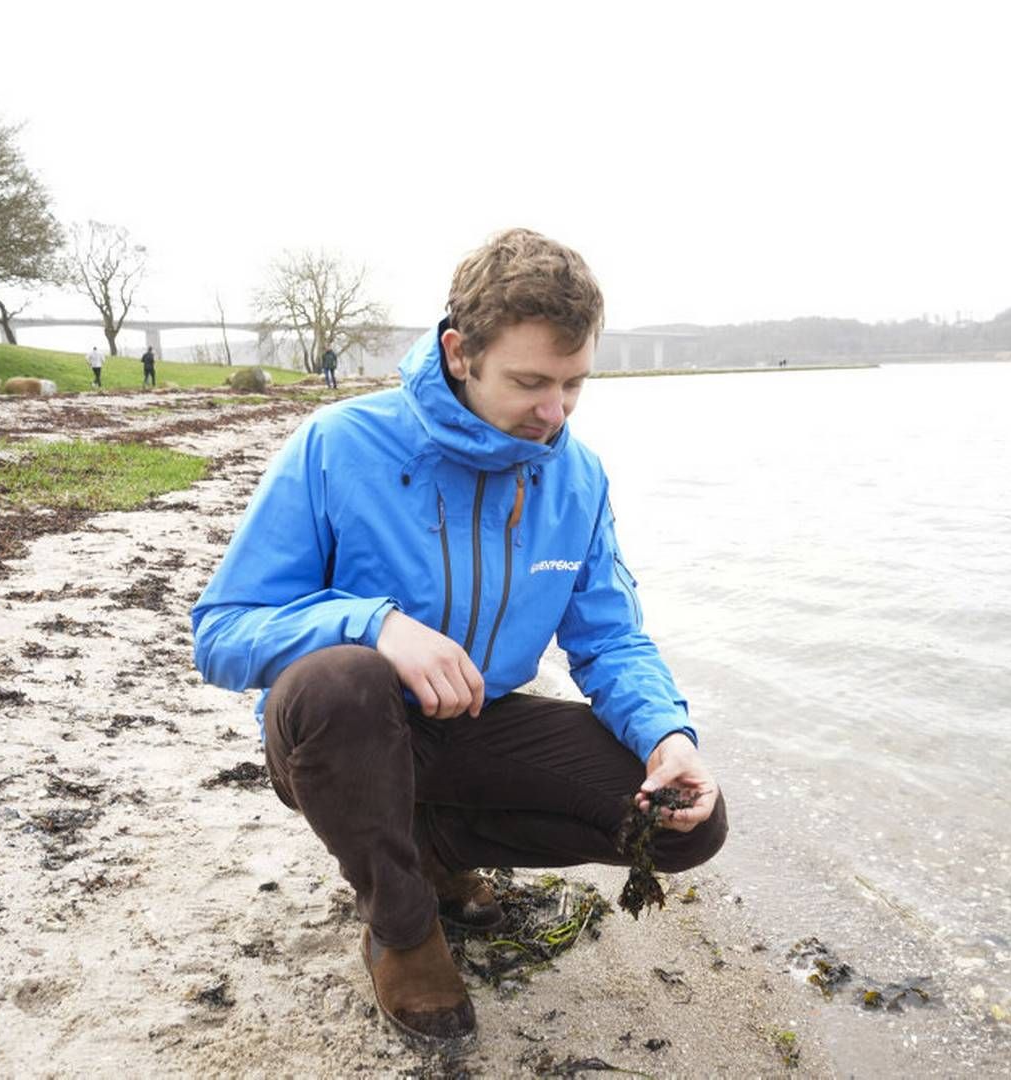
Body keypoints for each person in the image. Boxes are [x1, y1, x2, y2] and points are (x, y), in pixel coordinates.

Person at [191, 228, 726, 1049]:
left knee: (682, 823)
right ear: (459, 353)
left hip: (470, 728)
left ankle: (427, 849)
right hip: (336, 736)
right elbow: (221, 632)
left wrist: (668, 735)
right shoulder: (338, 444)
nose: (555, 414)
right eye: (530, 382)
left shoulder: (575, 477)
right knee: (341, 680)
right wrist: (376, 623)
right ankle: (402, 930)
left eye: (575, 384)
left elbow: (612, 640)